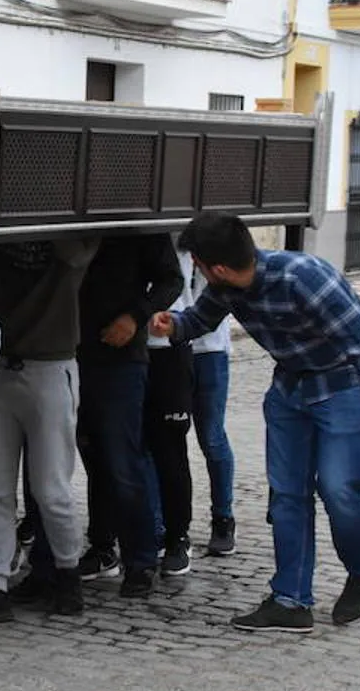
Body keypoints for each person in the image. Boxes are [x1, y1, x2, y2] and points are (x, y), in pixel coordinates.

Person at [150, 212, 360, 633]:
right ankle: (291, 601)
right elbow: (199, 320)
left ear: (215, 266)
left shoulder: (304, 277)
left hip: (343, 388)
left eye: (196, 261)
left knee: (340, 489)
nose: (194, 268)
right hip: (290, 392)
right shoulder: (226, 286)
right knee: (287, 496)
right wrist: (173, 324)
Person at [0, 237, 97, 621]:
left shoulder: (73, 233)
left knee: (52, 489)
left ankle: (66, 573)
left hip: (49, 365)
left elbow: (74, 250)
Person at [75, 234, 184, 597]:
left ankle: (140, 559)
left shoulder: (139, 223)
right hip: (68, 351)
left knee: (124, 460)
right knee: (91, 457)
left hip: (119, 358)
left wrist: (136, 316)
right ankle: (102, 546)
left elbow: (172, 279)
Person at [144, 244, 197, 578]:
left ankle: (178, 535)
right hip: (129, 349)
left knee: (171, 451)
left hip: (171, 349)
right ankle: (150, 530)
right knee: (135, 448)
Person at [187, 254, 238, 557]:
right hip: (171, 350)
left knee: (212, 437)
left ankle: (223, 517)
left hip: (210, 352)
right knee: (167, 442)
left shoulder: (216, 253)